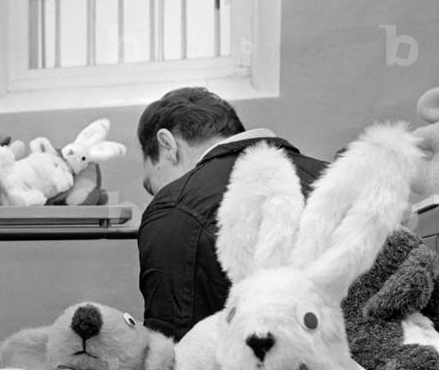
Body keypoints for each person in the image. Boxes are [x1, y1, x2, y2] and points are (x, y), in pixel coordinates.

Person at [137, 87, 327, 341]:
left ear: (167, 145)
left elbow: (173, 354)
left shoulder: (174, 210)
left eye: (152, 184)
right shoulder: (337, 179)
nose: (158, 193)